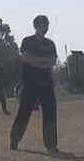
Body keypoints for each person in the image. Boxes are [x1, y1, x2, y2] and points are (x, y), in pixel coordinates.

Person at [10, 14, 59, 153]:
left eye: (47, 25)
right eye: (43, 24)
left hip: (46, 83)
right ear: (36, 26)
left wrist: (38, 61)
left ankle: (51, 145)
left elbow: (52, 61)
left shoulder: (50, 44)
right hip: (30, 81)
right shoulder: (28, 41)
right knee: (24, 111)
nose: (46, 27)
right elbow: (27, 58)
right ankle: (14, 139)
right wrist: (42, 61)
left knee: (50, 112)